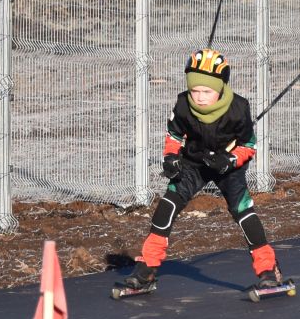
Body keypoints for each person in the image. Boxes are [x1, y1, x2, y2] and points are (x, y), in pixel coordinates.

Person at [112, 46, 289, 298]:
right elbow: (174, 134)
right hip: (194, 164)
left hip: (228, 168)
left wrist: (229, 160)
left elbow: (248, 146)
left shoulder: (238, 109)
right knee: (167, 206)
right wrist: (171, 158)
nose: (200, 97)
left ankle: (267, 270)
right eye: (195, 90)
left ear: (220, 88)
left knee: (243, 212)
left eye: (207, 91)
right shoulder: (184, 104)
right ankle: (147, 268)